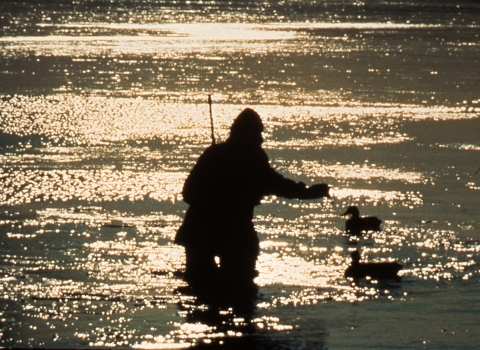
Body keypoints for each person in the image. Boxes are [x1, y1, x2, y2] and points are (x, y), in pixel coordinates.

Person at [175, 108, 330, 293]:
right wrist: (308, 193)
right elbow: (277, 184)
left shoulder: (214, 154)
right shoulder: (252, 158)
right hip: (232, 231)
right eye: (258, 133)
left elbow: (188, 193)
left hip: (199, 230)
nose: (261, 138)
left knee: (200, 288)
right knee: (240, 288)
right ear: (249, 134)